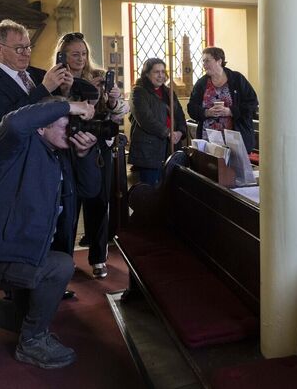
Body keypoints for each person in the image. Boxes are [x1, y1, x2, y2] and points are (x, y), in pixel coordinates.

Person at [0, 99, 100, 368]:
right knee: (61, 265)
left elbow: (90, 189)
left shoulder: (59, 154)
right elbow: (15, 122)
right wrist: (68, 105)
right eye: (65, 122)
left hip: (26, 254)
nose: (72, 128)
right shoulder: (12, 148)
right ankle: (32, 343)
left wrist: (84, 156)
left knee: (26, 317)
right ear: (40, 127)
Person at [53, 32, 128, 279]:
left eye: (84, 54)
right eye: (75, 54)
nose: (81, 58)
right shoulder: (53, 79)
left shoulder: (97, 76)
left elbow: (120, 111)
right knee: (67, 206)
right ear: (62, 55)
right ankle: (64, 260)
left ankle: (98, 257)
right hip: (65, 149)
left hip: (97, 148)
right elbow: (46, 110)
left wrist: (113, 100)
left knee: (98, 202)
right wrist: (64, 91)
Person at [0, 19, 71, 126]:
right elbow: (7, 121)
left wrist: (64, 90)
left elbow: (56, 109)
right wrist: (44, 89)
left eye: (28, 47)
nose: (26, 54)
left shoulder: (40, 74)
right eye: (19, 48)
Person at [188, 47, 258, 152]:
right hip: (209, 139)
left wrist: (230, 111)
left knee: (234, 168)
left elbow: (252, 103)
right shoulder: (201, 84)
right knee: (212, 167)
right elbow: (191, 108)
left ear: (219, 61)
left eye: (207, 60)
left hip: (235, 139)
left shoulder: (237, 79)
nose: (204, 64)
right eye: (203, 61)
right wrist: (207, 113)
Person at [129, 58, 187, 186]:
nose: (160, 75)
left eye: (162, 71)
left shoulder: (168, 92)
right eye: (156, 72)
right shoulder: (138, 92)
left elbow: (180, 115)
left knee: (169, 191)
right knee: (151, 191)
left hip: (170, 147)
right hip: (149, 150)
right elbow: (145, 119)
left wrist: (180, 132)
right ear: (147, 73)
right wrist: (168, 133)